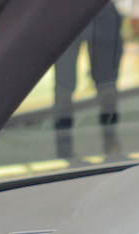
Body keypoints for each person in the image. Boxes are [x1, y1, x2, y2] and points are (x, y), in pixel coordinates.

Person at [52, 2, 126, 161]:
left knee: (107, 86)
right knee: (64, 87)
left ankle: (111, 146)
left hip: (102, 11)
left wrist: (137, 12)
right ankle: (65, 150)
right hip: (66, 13)